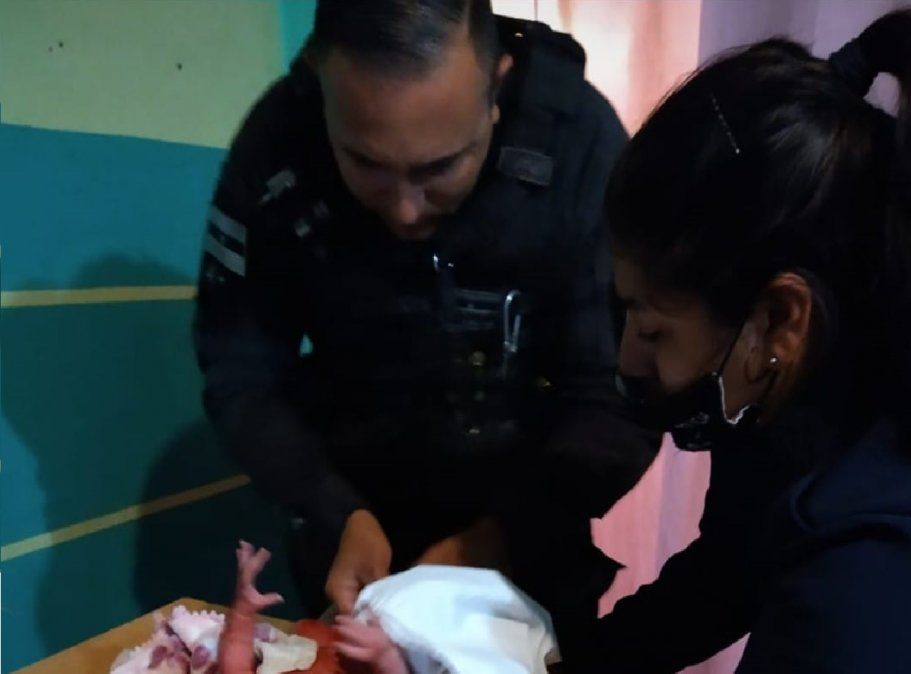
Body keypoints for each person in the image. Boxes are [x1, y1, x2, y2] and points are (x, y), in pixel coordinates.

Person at [193, 0, 658, 624]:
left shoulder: (578, 143)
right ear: (321, 87)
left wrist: (499, 538)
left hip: (532, 534)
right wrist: (334, 510)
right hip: (348, 538)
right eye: (366, 163)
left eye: (440, 168)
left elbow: (627, 388)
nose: (405, 210)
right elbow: (239, 370)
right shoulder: (278, 142)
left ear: (496, 88)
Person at [558, 10, 911, 673]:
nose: (628, 359)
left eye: (652, 328)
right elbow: (732, 568)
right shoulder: (794, 394)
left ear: (779, 319)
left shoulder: (864, 581)